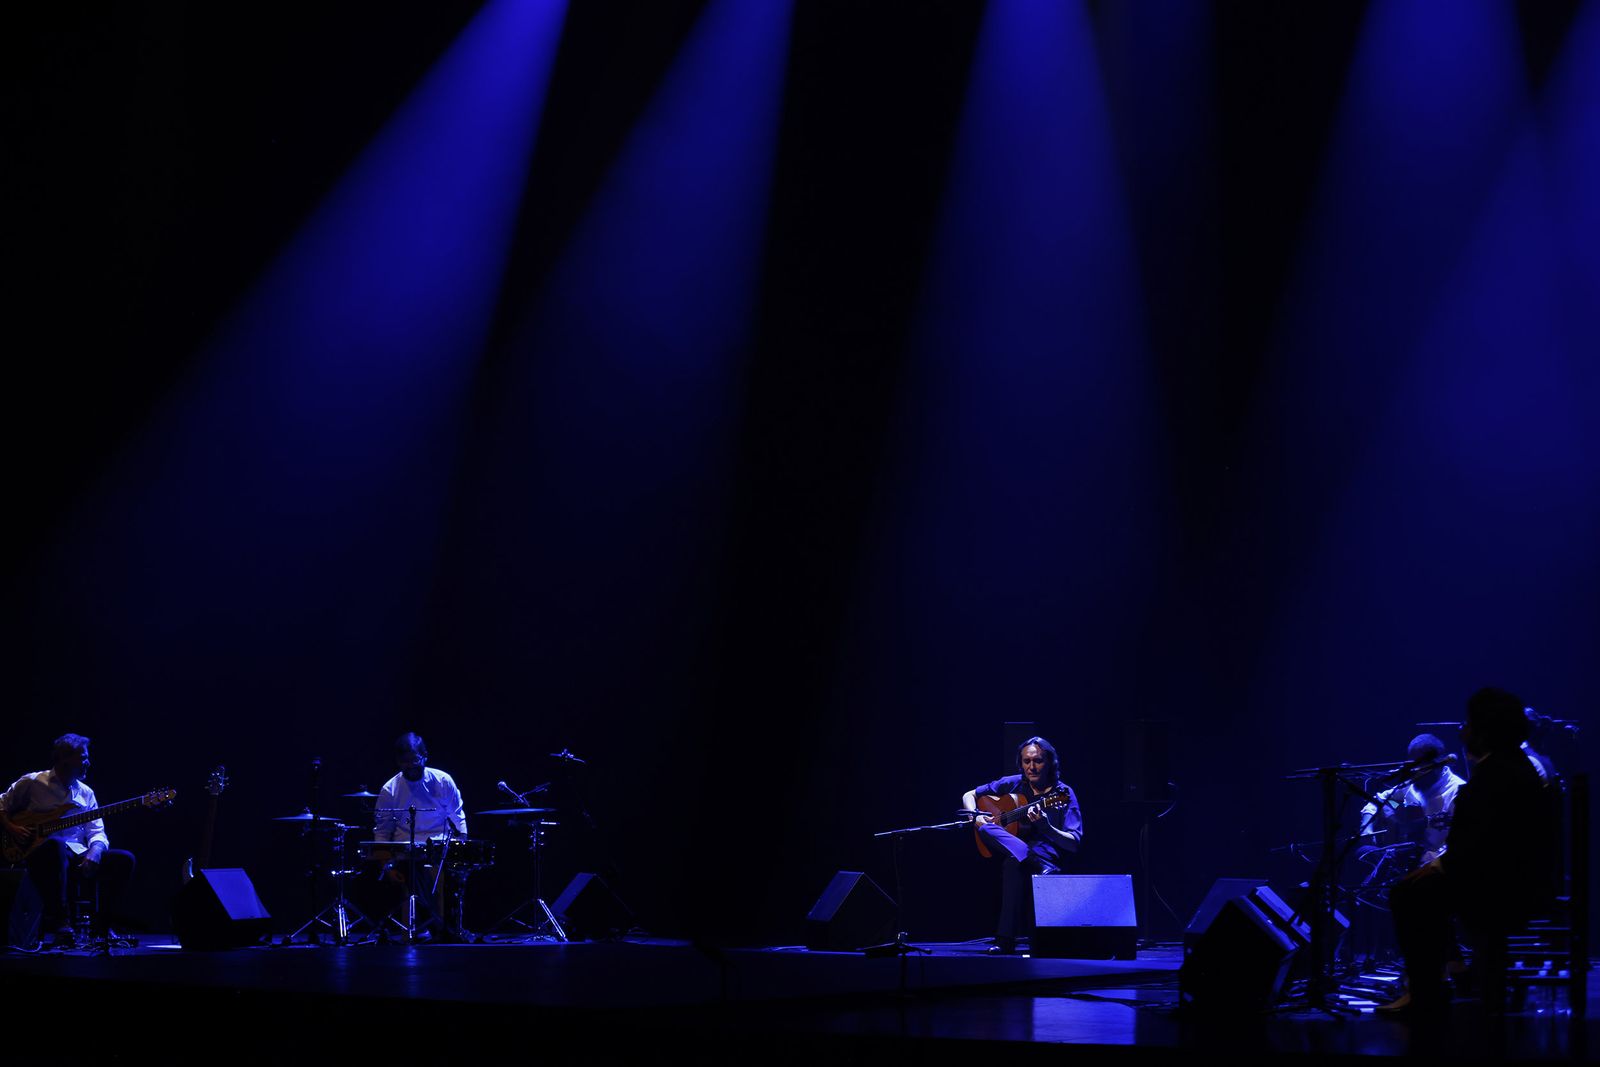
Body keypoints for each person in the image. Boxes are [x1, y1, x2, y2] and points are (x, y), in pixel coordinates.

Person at [1380, 688, 1555, 1014]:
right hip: (1491, 868)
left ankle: (1428, 990)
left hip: (1500, 878)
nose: (1462, 731)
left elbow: (1480, 841)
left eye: (1469, 724)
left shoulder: (1490, 776)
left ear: (1486, 730)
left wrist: (1439, 866)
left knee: (1409, 894)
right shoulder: (1506, 767)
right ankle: (1445, 976)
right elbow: (1385, 803)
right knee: (1416, 887)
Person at [0, 734, 137, 941]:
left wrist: (95, 852)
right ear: (64, 759)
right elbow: (1, 805)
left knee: (125, 859)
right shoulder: (33, 782)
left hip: (77, 856)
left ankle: (102, 927)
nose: (87, 763)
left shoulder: (86, 793)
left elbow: (96, 831)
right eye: (82, 758)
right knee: (56, 845)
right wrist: (11, 828)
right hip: (39, 855)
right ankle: (61, 922)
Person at [962, 737, 1082, 955]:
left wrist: (1047, 828)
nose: (1031, 767)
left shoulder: (1062, 793)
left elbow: (1074, 843)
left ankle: (1005, 941)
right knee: (986, 828)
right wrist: (975, 817)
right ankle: (1033, 863)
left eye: (1038, 761)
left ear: (1050, 763)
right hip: (1027, 855)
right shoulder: (1014, 783)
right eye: (1026, 761)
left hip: (1047, 855)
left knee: (1012, 865)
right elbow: (969, 794)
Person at [1359, 733, 1465, 865]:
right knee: (1363, 853)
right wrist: (1368, 830)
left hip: (1437, 867)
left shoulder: (1458, 792)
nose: (1413, 771)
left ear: (1437, 764)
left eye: (1419, 766)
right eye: (1411, 765)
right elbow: (1380, 800)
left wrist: (1432, 858)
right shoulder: (1413, 784)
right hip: (1405, 861)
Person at [374, 732, 467, 844]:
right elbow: (383, 831)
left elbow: (457, 815)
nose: (411, 765)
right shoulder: (389, 790)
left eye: (415, 760)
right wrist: (381, 856)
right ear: (398, 762)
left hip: (438, 847)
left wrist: (463, 840)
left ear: (425, 756)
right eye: (405, 761)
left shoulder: (443, 780)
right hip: (403, 851)